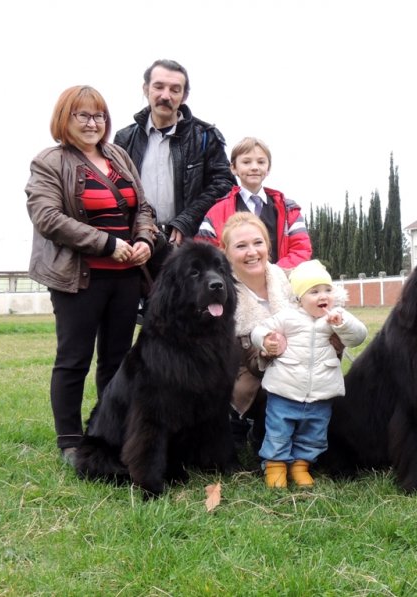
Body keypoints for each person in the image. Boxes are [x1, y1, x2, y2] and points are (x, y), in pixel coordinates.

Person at [25, 85, 156, 464]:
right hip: (78, 278)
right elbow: (47, 218)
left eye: (98, 115)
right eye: (82, 115)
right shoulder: (49, 162)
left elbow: (142, 206)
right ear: (64, 118)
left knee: (116, 359)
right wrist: (108, 244)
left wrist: (144, 238)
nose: (92, 122)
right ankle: (69, 440)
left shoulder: (117, 155)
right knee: (74, 359)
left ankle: (105, 429)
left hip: (125, 276)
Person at [250, 260, 367, 488]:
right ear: (299, 298)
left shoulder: (337, 318)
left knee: (313, 434)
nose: (322, 296)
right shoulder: (287, 317)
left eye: (327, 290)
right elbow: (258, 329)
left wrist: (341, 325)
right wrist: (266, 340)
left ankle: (301, 465)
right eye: (313, 291)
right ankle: (275, 466)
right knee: (278, 431)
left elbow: (359, 337)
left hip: (321, 394)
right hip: (285, 391)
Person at [114, 59, 234, 247]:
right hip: (138, 242)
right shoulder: (124, 139)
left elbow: (225, 184)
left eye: (175, 90)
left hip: (189, 245)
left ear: (184, 96)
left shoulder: (205, 136)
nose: (165, 96)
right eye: (159, 87)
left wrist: (187, 220)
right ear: (146, 89)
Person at [220, 213, 296, 454]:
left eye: (258, 243)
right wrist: (265, 349)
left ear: (268, 245)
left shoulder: (287, 281)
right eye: (241, 246)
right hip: (247, 379)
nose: (252, 252)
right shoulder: (220, 293)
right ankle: (247, 425)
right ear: (226, 252)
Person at [198, 137, 312, 269]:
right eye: (246, 162)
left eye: (261, 162)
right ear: (233, 168)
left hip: (282, 284)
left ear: (268, 168)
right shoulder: (216, 212)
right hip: (236, 286)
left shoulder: (289, 210)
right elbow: (205, 253)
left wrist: (274, 274)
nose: (254, 167)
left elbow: (301, 250)